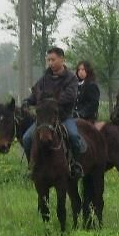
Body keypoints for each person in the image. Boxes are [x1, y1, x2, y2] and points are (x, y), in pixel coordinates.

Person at [22, 47, 87, 177]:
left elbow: (70, 96)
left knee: (74, 137)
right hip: (45, 119)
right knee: (26, 138)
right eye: (48, 60)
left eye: (53, 60)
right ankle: (32, 166)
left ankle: (75, 165)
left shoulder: (71, 78)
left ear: (62, 59)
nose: (50, 63)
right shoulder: (44, 78)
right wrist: (27, 102)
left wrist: (50, 101)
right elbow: (35, 93)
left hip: (64, 117)